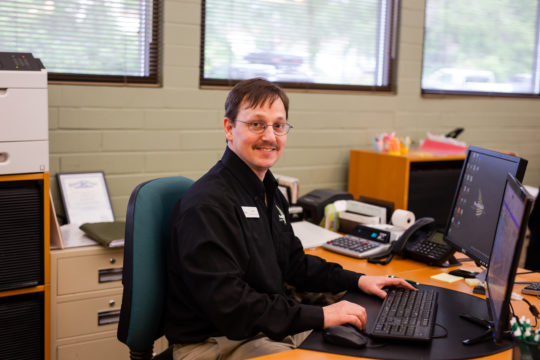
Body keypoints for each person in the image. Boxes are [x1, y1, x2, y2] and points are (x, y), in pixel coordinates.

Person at [165, 78, 414, 360]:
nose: (270, 136)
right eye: (256, 124)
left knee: (378, 341)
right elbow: (231, 306)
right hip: (215, 342)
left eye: (278, 125)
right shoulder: (207, 205)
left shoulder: (269, 191)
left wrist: (358, 281)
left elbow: (293, 264)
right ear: (228, 128)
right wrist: (321, 315)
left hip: (261, 327)